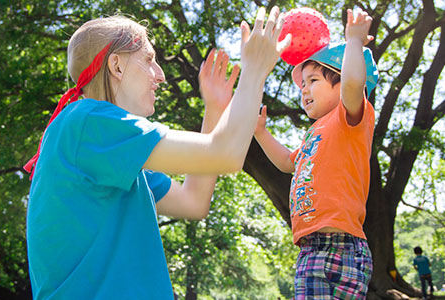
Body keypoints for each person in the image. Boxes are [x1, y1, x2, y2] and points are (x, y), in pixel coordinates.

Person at [24, 7, 292, 300]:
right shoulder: (87, 121)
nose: (160, 76)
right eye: (149, 60)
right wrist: (254, 70)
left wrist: (214, 110)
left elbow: (194, 201)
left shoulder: (110, 152)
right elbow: (226, 155)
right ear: (116, 66)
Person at [254, 8, 378, 299]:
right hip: (310, 248)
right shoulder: (314, 133)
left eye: (313, 81)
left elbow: (352, 84)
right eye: (302, 85)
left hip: (344, 245)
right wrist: (261, 133)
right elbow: (288, 162)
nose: (304, 90)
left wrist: (354, 42)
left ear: (339, 81)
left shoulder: (349, 119)